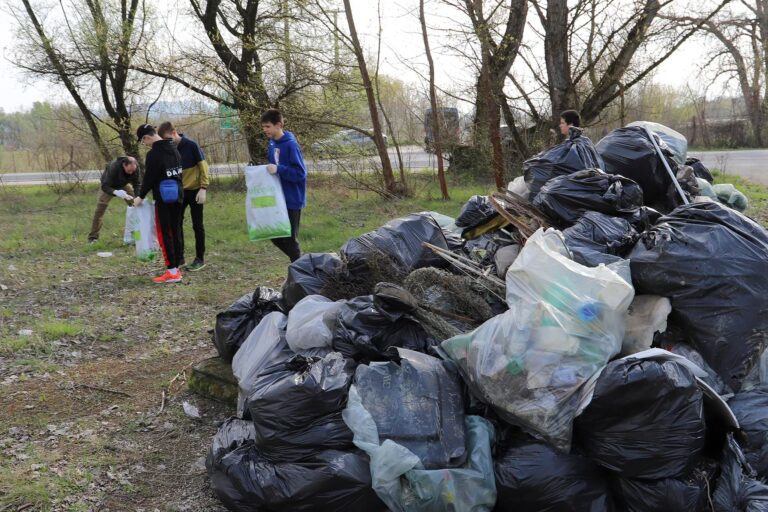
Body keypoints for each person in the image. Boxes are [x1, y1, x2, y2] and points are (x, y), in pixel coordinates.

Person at [133, 123, 184, 284]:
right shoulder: (173, 147)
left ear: (146, 137)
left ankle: (172, 271)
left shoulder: (154, 154)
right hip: (178, 195)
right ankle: (177, 266)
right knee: (176, 230)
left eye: (143, 142)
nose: (145, 145)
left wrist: (140, 196)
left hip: (163, 198)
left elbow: (150, 178)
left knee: (165, 232)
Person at [157, 121, 209, 272]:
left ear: (174, 132)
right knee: (176, 224)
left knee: (197, 225)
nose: (167, 142)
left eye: (168, 138)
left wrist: (203, 188)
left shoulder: (191, 145)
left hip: (196, 191)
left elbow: (203, 167)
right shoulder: (169, 149)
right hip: (180, 192)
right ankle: (180, 258)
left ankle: (200, 258)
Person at [260, 109, 307, 263]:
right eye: (264, 127)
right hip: (278, 197)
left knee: (290, 239)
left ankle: (301, 271)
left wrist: (279, 169)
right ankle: (300, 263)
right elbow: (273, 166)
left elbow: (300, 173)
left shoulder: (291, 145)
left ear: (278, 125)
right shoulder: (272, 143)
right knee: (274, 235)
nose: (264, 130)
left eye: (267, 126)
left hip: (292, 198)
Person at [87, 156, 141, 243]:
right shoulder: (114, 167)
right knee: (100, 210)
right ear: (124, 165)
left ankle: (137, 234)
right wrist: (116, 192)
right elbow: (105, 186)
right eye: (129, 170)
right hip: (109, 186)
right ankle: (93, 238)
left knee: (137, 205)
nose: (131, 173)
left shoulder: (135, 168)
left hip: (123, 184)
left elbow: (137, 184)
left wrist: (138, 197)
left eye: (133, 171)